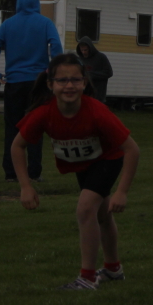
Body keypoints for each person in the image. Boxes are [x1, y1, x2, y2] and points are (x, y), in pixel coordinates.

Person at [12, 53, 140, 290]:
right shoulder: (43, 113)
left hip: (108, 160)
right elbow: (17, 146)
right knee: (102, 216)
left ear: (84, 83)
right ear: (50, 84)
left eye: (75, 79)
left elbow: (132, 149)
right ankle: (113, 269)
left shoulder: (97, 111)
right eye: (62, 80)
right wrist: (25, 186)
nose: (69, 85)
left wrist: (122, 191)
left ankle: (87, 278)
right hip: (83, 165)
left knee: (85, 209)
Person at [0, 0, 62, 182]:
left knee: (12, 128)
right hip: (38, 83)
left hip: (14, 82)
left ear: (18, 3)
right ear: (37, 3)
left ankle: (11, 172)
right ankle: (34, 172)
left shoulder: (8, 24)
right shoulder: (45, 23)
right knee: (35, 126)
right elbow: (56, 46)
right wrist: (53, 72)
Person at [75, 37, 114, 102]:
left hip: (98, 94)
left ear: (90, 48)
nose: (83, 52)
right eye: (82, 50)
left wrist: (90, 75)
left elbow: (109, 73)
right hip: (84, 94)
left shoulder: (101, 57)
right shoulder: (80, 59)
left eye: (85, 50)